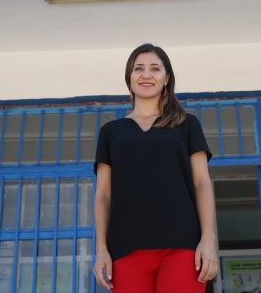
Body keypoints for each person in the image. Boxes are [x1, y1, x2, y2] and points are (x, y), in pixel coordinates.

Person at [93, 43, 218, 293]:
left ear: (166, 78)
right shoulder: (110, 132)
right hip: (125, 248)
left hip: (182, 246)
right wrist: (101, 249)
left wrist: (208, 239)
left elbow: (202, 183)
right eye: (138, 68)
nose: (146, 74)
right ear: (129, 78)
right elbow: (104, 195)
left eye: (155, 68)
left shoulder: (187, 124)